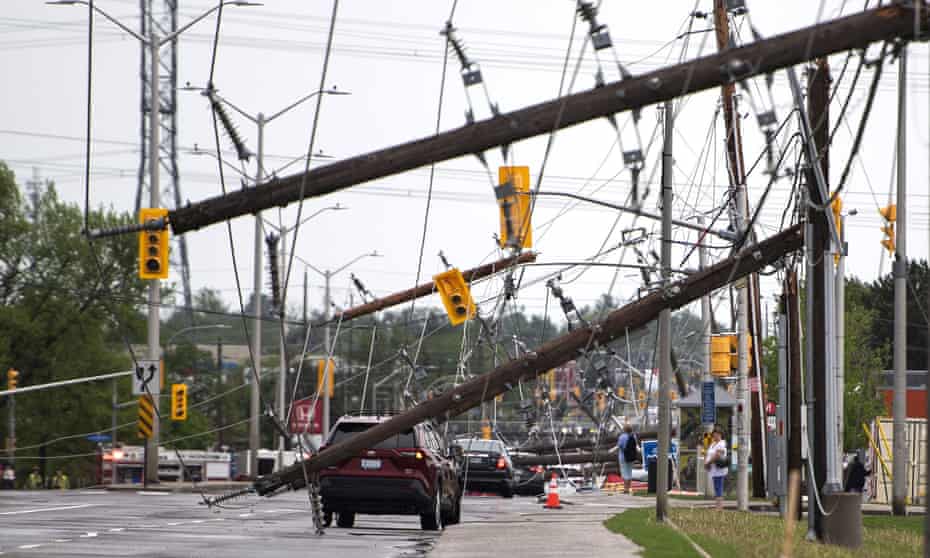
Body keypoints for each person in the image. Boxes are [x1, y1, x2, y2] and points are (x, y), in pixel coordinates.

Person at [704, 428, 728, 510]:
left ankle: (719, 507)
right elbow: (709, 454)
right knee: (716, 487)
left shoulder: (722, 443)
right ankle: (718, 505)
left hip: (719, 469)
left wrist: (708, 463)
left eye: (717, 434)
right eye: (714, 433)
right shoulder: (713, 443)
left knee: (719, 487)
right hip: (713, 470)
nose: (715, 435)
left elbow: (717, 455)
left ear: (721, 434)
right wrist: (707, 463)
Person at [617, 424, 638, 495]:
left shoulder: (622, 437)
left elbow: (619, 446)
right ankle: (628, 488)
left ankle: (626, 489)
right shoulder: (634, 436)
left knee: (624, 473)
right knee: (629, 472)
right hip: (631, 457)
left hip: (623, 457)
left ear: (624, 430)